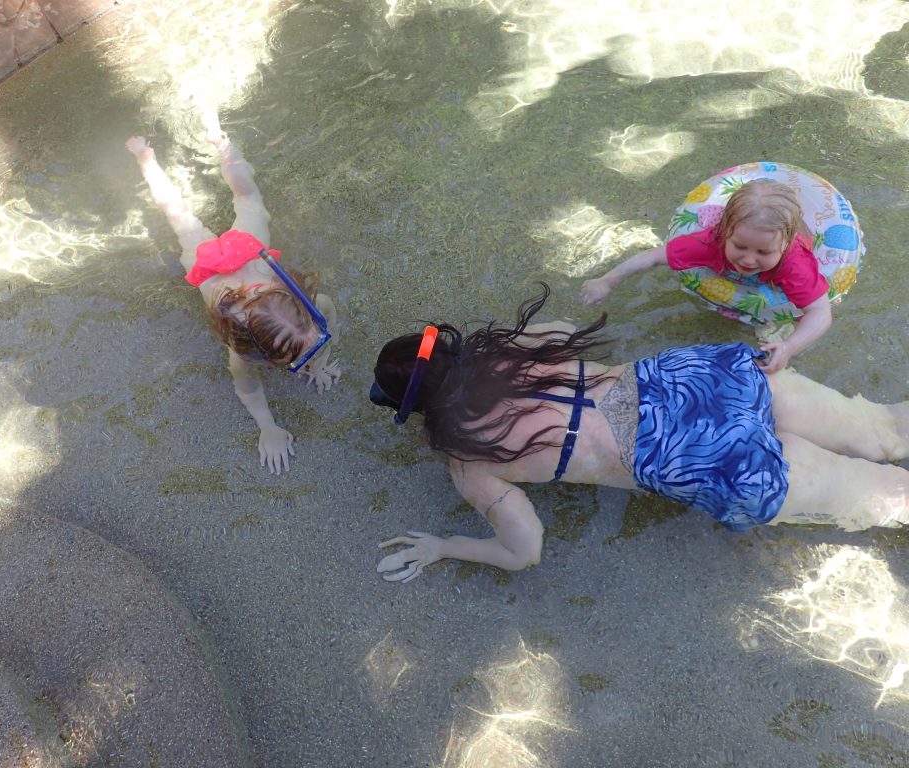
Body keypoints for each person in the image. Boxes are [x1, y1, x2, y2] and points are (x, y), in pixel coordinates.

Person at [370, 285, 909, 582]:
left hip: (703, 459)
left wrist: (443, 547)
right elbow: (565, 331)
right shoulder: (516, 348)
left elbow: (524, 550)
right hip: (707, 384)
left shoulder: (470, 463)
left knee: (895, 495)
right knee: (885, 429)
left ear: (414, 410)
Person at [126, 110, 340, 474]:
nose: (312, 350)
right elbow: (248, 389)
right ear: (260, 355)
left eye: (313, 343)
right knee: (207, 206)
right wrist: (267, 427)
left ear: (301, 305)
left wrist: (317, 359)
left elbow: (327, 314)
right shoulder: (243, 353)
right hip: (210, 263)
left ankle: (165, 153)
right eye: (300, 356)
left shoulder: (312, 307)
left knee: (211, 206)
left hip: (248, 252)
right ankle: (160, 156)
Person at [580, 180, 832, 374]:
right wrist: (606, 280)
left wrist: (788, 347)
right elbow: (654, 256)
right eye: (740, 246)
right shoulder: (710, 242)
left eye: (763, 252)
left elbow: (820, 311)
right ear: (725, 230)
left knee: (769, 323)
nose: (748, 260)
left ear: (786, 244)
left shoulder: (794, 263)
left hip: (778, 284)